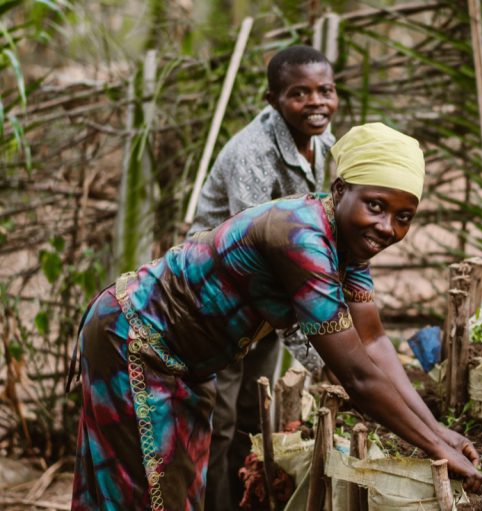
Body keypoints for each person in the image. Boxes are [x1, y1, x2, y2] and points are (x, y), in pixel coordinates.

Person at [70, 123, 482, 509]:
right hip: (135, 337)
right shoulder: (299, 237)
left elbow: (373, 343)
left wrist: (439, 432)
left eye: (403, 217)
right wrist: (434, 448)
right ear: (340, 191)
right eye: (375, 206)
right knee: (144, 493)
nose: (387, 227)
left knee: (170, 488)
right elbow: (357, 375)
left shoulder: (349, 245)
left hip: (185, 363)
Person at [188, 45, 338, 509]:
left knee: (255, 415)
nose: (316, 102)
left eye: (325, 90)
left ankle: (244, 501)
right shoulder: (251, 154)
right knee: (221, 420)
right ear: (272, 99)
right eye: (300, 93)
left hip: (272, 295)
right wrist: (320, 357)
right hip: (221, 297)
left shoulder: (326, 142)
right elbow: (250, 256)